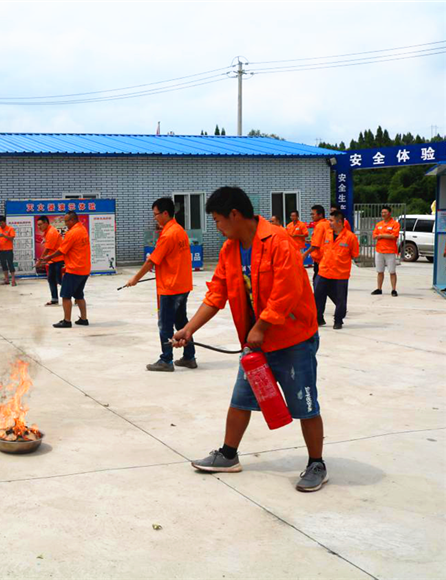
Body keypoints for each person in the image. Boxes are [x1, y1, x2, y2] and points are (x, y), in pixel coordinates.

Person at [172, 186, 326, 493]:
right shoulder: (230, 249)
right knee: (241, 399)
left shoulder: (278, 241)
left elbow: (288, 290)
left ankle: (316, 463)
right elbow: (217, 294)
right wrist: (189, 330)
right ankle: (229, 454)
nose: (217, 227)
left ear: (234, 214)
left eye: (218, 220)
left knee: (305, 404)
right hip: (256, 343)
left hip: (293, 339)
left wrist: (262, 326)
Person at [125, 197, 196, 371]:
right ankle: (189, 357)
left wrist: (135, 279)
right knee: (182, 323)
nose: (154, 218)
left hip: (170, 287)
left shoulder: (168, 234)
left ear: (165, 213)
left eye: (156, 214)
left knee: (165, 324)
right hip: (182, 285)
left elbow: (152, 261)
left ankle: (166, 360)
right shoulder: (179, 231)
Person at [37, 210, 90, 328]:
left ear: (72, 220)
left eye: (66, 221)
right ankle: (83, 319)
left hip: (74, 269)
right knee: (79, 295)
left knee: (66, 295)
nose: (65, 223)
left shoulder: (72, 233)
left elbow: (61, 250)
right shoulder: (82, 229)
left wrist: (46, 258)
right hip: (84, 268)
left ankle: (67, 321)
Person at [315, 210, 359, 329]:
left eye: (331, 220)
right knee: (318, 295)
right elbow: (323, 249)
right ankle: (318, 319)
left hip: (340, 274)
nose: (329, 222)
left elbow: (355, 254)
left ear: (339, 222)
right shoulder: (327, 233)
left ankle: (338, 320)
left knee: (340, 298)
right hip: (324, 270)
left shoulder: (350, 237)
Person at [372, 205, 400, 296]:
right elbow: (374, 236)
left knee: (392, 271)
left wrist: (381, 236)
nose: (383, 214)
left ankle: (394, 290)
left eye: (385, 212)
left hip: (390, 251)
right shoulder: (378, 224)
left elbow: (393, 236)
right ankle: (379, 289)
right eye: (382, 212)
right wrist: (386, 235)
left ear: (389, 213)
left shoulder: (395, 224)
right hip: (379, 250)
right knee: (380, 271)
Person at [37, 216, 64, 306]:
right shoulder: (47, 232)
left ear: (46, 223)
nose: (39, 227)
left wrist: (40, 261)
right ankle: (54, 299)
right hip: (53, 260)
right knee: (51, 279)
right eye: (38, 225)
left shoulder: (51, 232)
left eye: (40, 224)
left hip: (59, 259)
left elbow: (47, 249)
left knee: (60, 280)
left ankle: (77, 295)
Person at [302, 205, 328, 287]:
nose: (312, 216)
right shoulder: (327, 224)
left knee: (318, 286)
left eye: (313, 214)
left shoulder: (320, 226)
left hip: (320, 260)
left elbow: (315, 245)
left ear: (320, 215)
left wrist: (305, 254)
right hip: (326, 258)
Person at [0, 216, 17, 286]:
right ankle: (6, 279)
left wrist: (4, 235)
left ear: (5, 222)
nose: (1, 224)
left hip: (8, 250)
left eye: (2, 223)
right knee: (3, 265)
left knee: (10, 264)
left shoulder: (10, 229)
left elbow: (12, 238)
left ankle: (13, 280)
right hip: (0, 250)